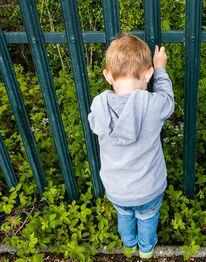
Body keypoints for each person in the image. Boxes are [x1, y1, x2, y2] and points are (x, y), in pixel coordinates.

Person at [88, 33, 174, 259]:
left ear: (108, 75)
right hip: (148, 189)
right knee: (147, 217)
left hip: (117, 190)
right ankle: (145, 251)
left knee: (124, 215)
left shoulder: (99, 105)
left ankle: (128, 246)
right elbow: (168, 100)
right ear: (148, 74)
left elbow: (94, 124)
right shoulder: (153, 105)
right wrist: (161, 69)